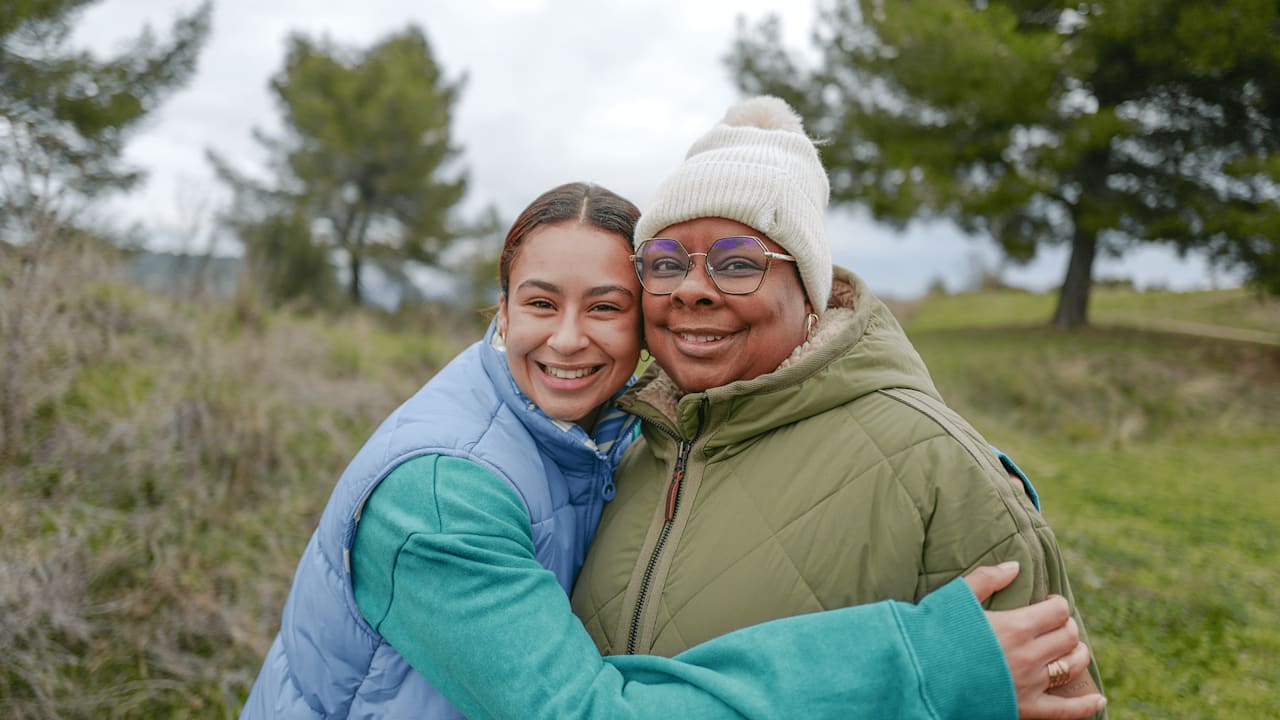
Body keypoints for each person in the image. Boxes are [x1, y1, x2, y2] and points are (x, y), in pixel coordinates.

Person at [241, 181, 1105, 719]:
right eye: (540, 303)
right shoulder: (441, 492)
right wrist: (919, 665)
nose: (569, 339)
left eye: (606, 306)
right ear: (500, 309)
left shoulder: (621, 435)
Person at [570, 97, 1107, 718]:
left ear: (810, 292)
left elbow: (1057, 699)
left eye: (737, 263)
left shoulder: (939, 469)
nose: (690, 289)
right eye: (664, 264)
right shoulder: (619, 446)